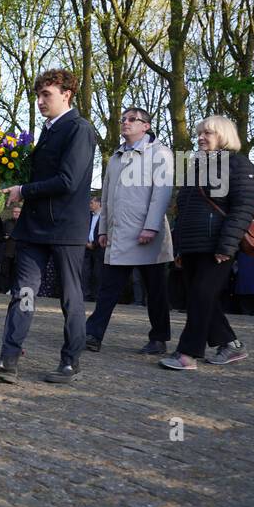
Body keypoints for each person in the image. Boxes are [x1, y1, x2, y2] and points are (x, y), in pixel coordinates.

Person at [0, 69, 95, 384]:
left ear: (67, 94)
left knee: (70, 297)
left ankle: (71, 362)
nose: (40, 101)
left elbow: (68, 181)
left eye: (46, 95)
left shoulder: (80, 129)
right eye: (38, 95)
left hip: (66, 229)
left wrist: (23, 190)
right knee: (23, 292)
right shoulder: (48, 131)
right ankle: (8, 360)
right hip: (33, 228)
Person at [159, 115, 254, 370]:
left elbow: (244, 207)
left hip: (217, 245)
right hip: (192, 244)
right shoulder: (197, 164)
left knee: (201, 296)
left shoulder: (238, 164)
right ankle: (231, 345)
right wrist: (180, 245)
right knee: (200, 297)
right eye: (200, 133)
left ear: (224, 136)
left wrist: (227, 245)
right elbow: (184, 207)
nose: (201, 138)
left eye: (208, 133)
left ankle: (187, 353)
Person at [85, 107, 174, 355]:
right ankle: (92, 335)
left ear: (146, 126)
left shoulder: (160, 153)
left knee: (155, 290)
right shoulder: (116, 157)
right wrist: (103, 229)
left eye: (132, 119)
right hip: (119, 234)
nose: (125, 122)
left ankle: (159, 338)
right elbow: (106, 196)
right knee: (108, 289)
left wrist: (151, 226)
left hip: (148, 235)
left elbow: (161, 193)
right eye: (123, 119)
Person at [83, 196, 103, 301]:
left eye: (92, 203)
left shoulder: (104, 217)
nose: (89, 205)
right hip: (86, 248)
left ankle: (96, 296)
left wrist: (94, 244)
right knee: (85, 272)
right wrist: (86, 243)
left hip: (99, 248)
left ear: (99, 203)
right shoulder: (88, 216)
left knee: (97, 273)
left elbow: (104, 232)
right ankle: (85, 295)